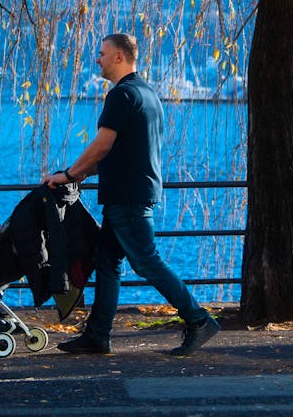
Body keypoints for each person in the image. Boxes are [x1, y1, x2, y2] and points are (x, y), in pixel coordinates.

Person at [44, 33, 220, 356]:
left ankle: (198, 319)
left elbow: (102, 146)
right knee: (107, 261)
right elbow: (121, 152)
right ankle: (98, 335)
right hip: (132, 192)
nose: (97, 59)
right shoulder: (148, 94)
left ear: (119, 57)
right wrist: (78, 173)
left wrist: (69, 175)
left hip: (127, 196)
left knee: (146, 262)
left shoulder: (122, 96)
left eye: (101, 53)